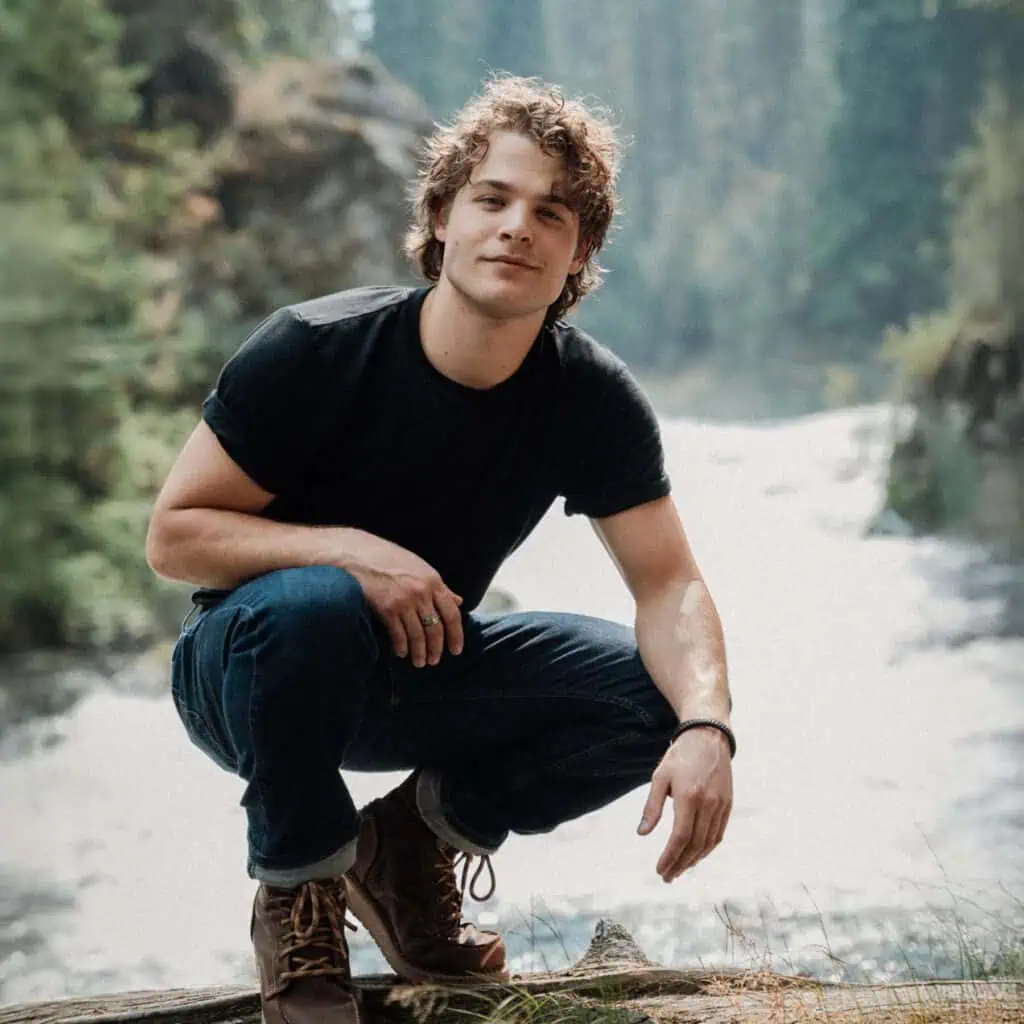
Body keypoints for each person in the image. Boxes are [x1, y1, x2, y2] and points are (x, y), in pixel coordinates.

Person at [145, 74, 734, 1024]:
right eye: (492, 199)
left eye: (551, 213)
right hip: (251, 671)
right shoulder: (312, 348)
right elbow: (173, 538)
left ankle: (411, 843)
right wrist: (348, 551)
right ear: (442, 217)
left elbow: (670, 587)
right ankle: (300, 902)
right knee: (316, 605)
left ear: (580, 249)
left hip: (419, 671)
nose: (517, 228)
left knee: (647, 696)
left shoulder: (589, 397)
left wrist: (709, 725)